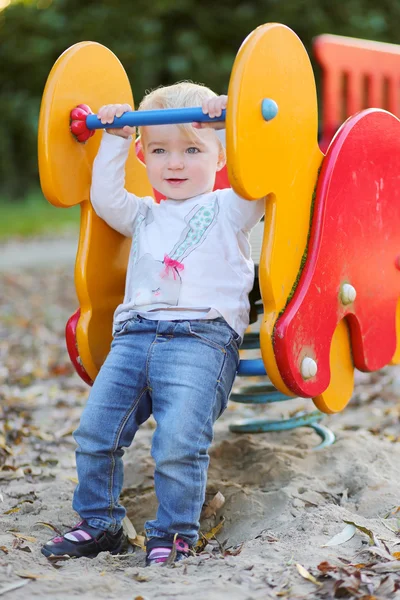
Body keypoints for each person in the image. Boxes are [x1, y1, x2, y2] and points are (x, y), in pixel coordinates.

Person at [41, 82, 264, 565]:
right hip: (134, 335)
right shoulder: (142, 214)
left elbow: (264, 177)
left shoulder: (230, 207)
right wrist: (117, 136)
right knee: (96, 433)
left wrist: (235, 121)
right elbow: (105, 197)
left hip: (201, 339)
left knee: (179, 441)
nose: (175, 163)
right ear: (144, 157)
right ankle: (99, 523)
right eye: (160, 151)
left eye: (192, 149)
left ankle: (175, 532)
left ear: (221, 157)